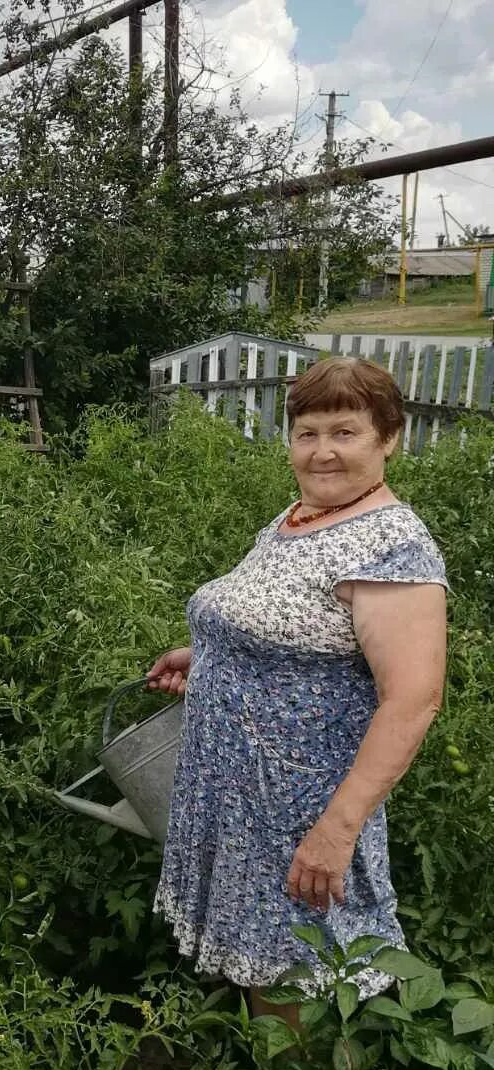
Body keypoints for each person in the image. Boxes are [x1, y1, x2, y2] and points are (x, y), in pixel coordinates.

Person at [149, 356, 447, 1020]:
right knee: (261, 952)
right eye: (307, 433)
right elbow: (290, 626)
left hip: (298, 807)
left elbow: (414, 700)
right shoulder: (302, 516)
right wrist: (210, 655)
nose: (322, 452)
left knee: (295, 964)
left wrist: (337, 829)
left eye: (345, 432)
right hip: (239, 795)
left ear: (388, 438)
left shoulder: (390, 548)